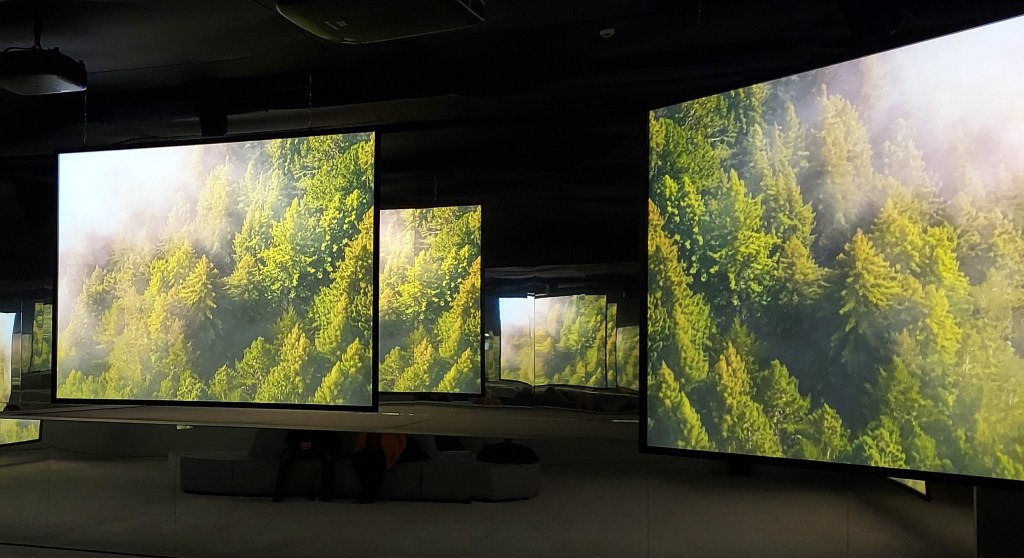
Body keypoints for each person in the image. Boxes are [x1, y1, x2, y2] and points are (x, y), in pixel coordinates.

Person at [350, 433, 431, 503]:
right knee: (360, 457)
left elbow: (400, 443)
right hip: (375, 449)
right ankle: (368, 490)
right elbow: (360, 445)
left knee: (377, 457)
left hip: (395, 447)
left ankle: (369, 491)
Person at [272, 430, 341, 502]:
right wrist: (299, 443)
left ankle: (326, 493)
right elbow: (289, 438)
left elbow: (328, 437)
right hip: (297, 446)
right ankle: (278, 491)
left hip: (317, 447)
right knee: (285, 459)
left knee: (328, 459)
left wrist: (312, 444)